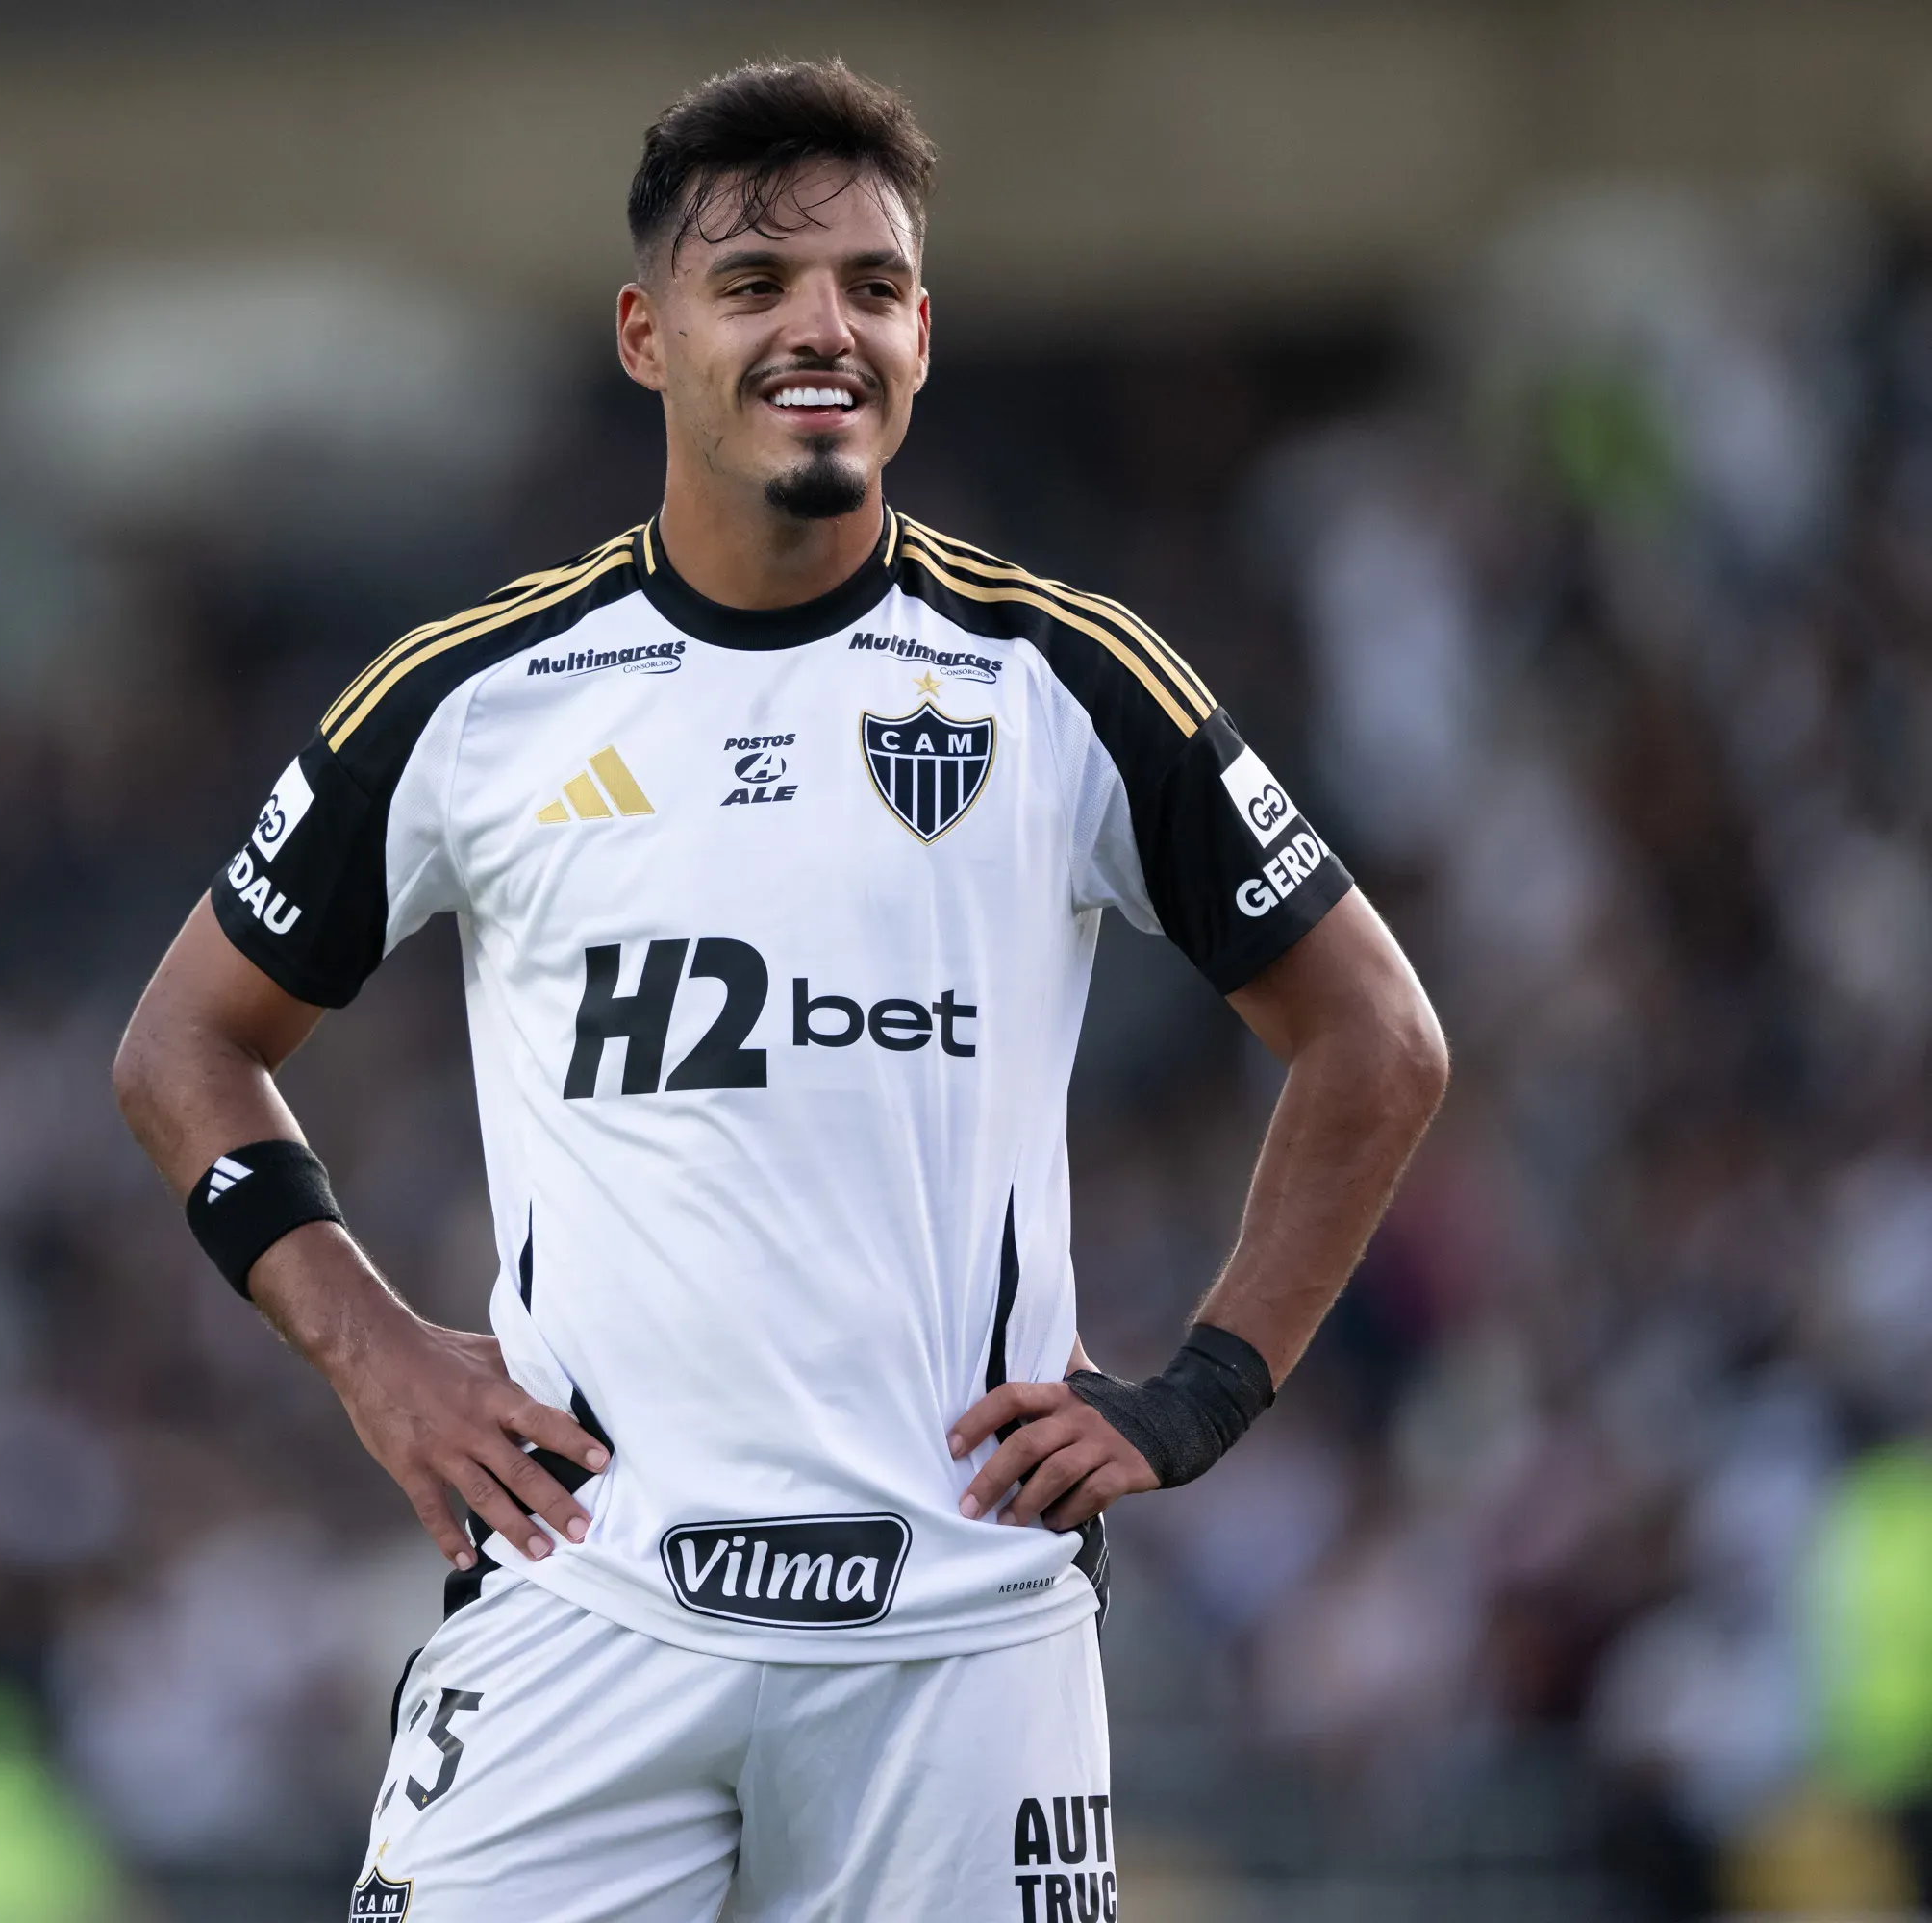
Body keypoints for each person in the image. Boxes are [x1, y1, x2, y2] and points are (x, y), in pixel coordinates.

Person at [113, 57, 1447, 1922]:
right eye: (759, 286)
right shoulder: (476, 699)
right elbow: (187, 1045)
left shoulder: (1062, 680)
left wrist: (1202, 1392)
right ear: (648, 334)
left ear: (922, 336)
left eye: (873, 288)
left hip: (962, 1637)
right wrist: (383, 1359)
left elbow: (1374, 1038)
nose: (824, 328)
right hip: (585, 1604)